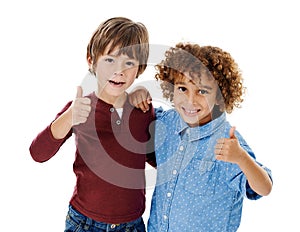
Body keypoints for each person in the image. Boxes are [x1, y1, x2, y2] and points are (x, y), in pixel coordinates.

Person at [29, 17, 156, 232]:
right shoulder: (79, 108)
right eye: (109, 60)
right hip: (84, 223)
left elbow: (156, 158)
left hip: (131, 224)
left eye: (129, 63)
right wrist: (69, 117)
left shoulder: (143, 110)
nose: (119, 71)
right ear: (91, 60)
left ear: (140, 69)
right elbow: (38, 153)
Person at [130, 42, 273, 231]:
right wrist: (138, 93)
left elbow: (264, 188)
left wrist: (241, 158)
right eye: (182, 88)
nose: (190, 100)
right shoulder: (166, 122)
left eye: (202, 91)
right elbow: (135, 115)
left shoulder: (228, 143)